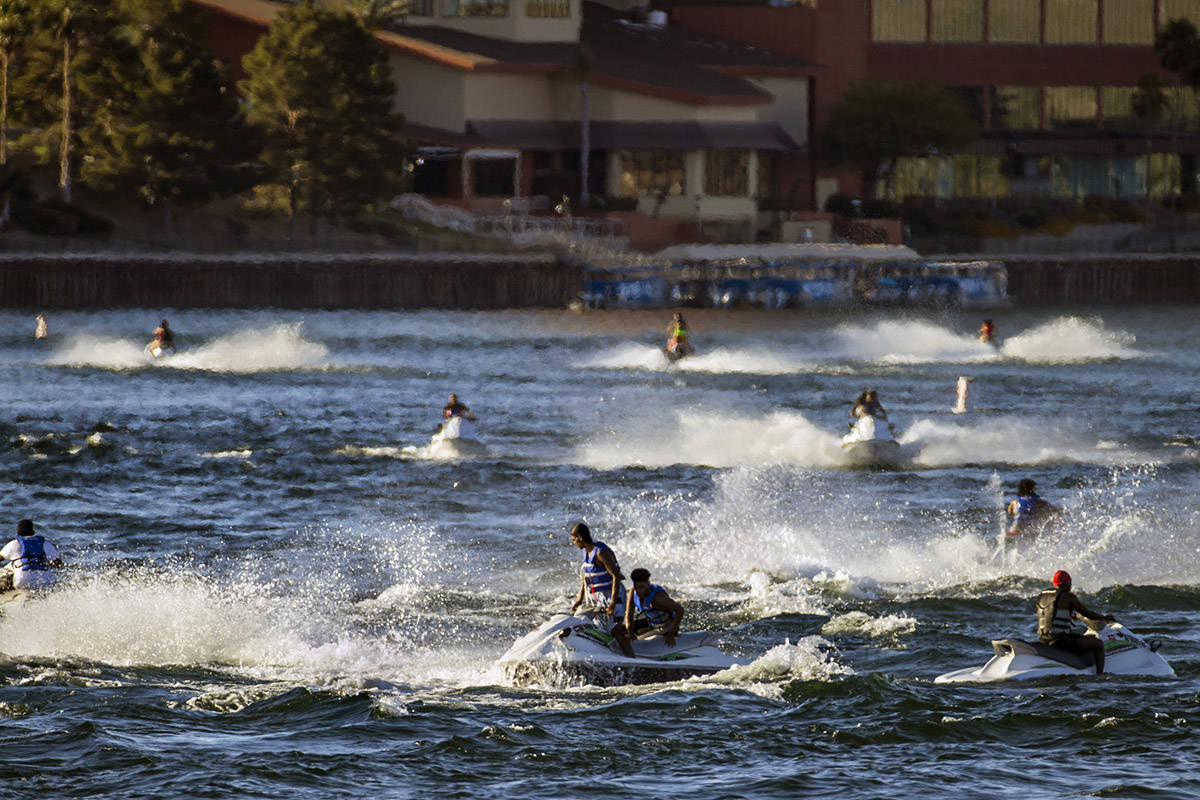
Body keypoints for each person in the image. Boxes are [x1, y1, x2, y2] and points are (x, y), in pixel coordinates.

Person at [568, 522, 633, 657]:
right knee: (596, 628)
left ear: (580, 537)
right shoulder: (587, 552)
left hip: (613, 595)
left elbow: (616, 576)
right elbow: (585, 578)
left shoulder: (600, 553)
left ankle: (633, 659)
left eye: (574, 540)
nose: (574, 543)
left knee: (615, 630)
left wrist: (612, 604)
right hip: (597, 598)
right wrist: (580, 600)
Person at [1036, 569, 1114, 674]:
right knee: (1098, 643)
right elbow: (1087, 613)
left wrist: (1067, 614)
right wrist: (1104, 618)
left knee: (1086, 638)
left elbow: (1050, 614)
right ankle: (1099, 675)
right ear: (1068, 583)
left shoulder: (1043, 595)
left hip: (1043, 639)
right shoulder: (1068, 596)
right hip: (1060, 641)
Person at [624, 568, 685, 648]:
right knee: (621, 630)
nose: (639, 591)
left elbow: (680, 610)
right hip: (652, 623)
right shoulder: (633, 592)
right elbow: (629, 614)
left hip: (666, 627)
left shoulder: (658, 598)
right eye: (636, 587)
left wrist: (671, 633)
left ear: (648, 584)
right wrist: (630, 633)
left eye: (642, 587)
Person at [0, 519, 64, 592]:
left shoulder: (14, 544)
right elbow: (59, 565)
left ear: (18, 533)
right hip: (45, 581)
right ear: (32, 531)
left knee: (7, 568)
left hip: (21, 582)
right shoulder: (45, 544)